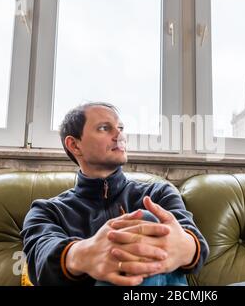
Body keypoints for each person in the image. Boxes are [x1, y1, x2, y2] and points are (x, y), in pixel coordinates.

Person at [21, 102, 209, 286]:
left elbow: (195, 244)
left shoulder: (158, 192)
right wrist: (86, 254)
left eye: (120, 128)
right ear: (74, 145)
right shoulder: (46, 211)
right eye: (104, 128)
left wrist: (184, 246)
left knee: (146, 217)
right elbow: (41, 260)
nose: (120, 135)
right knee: (145, 219)